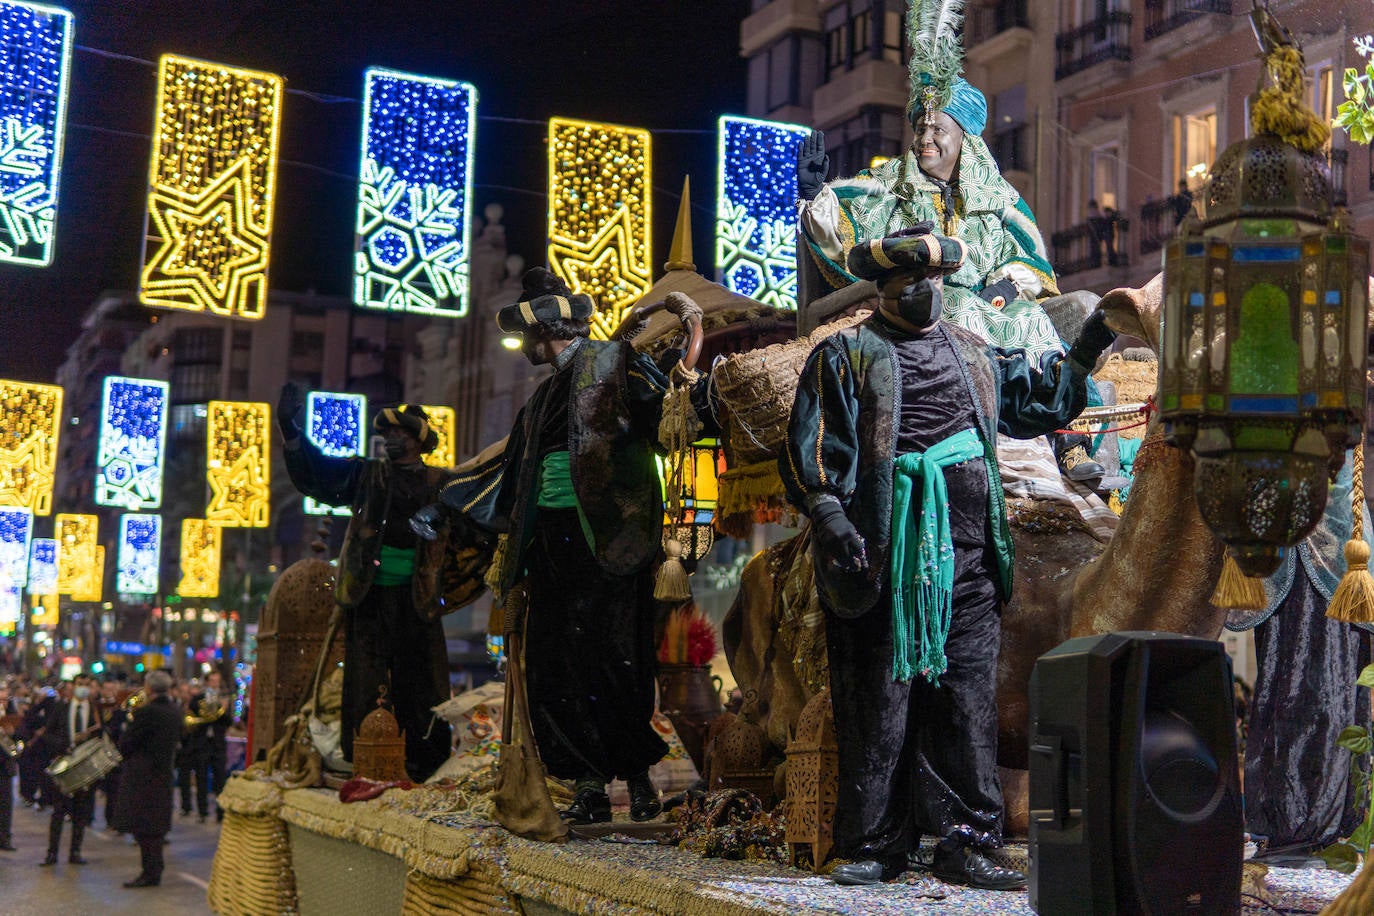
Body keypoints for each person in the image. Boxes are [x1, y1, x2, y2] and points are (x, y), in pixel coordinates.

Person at [781, 230, 1116, 889]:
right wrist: (829, 514)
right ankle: (875, 843)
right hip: (880, 563)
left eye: (934, 281)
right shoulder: (845, 355)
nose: (924, 291)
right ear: (883, 290)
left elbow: (1041, 400)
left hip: (968, 564)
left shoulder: (974, 353)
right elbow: (812, 445)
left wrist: (1089, 342)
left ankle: (969, 843)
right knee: (879, 707)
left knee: (967, 707)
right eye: (910, 282)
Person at [456, 267, 710, 825]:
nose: (524, 347)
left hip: (611, 538)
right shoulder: (541, 398)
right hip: (552, 543)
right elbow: (513, 472)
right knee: (559, 668)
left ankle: (638, 779)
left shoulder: (615, 363)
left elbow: (664, 414)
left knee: (618, 660)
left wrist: (683, 378)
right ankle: (589, 786)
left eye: (526, 336)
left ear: (544, 332)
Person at [280, 392, 456, 781]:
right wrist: (291, 432)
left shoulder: (442, 483)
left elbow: (472, 518)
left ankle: (423, 764)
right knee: (365, 680)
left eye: (399, 434)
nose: (390, 440)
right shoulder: (366, 474)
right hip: (369, 595)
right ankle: (365, 762)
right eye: (387, 434)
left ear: (418, 441)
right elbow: (321, 473)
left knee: (422, 684)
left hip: (419, 599)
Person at [113, 670, 181, 888]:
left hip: (143, 776)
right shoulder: (175, 711)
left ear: (149, 687)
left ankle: (149, 872)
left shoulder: (147, 712)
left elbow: (127, 743)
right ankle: (155, 870)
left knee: (144, 827)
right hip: (164, 772)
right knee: (157, 827)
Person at [38, 675, 104, 866]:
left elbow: (101, 735)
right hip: (64, 764)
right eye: (79, 685)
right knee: (59, 811)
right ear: (73, 687)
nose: (83, 688)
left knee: (81, 812)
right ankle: (52, 853)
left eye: (86, 685)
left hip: (84, 767)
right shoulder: (61, 707)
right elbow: (47, 734)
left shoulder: (94, 710)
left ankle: (75, 851)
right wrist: (63, 745)